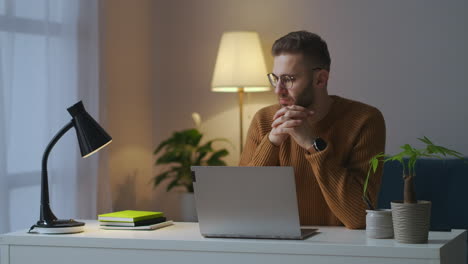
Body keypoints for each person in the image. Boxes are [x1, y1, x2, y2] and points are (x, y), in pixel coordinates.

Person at [239, 31, 385, 229]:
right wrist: (271, 142)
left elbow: (358, 217)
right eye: (275, 78)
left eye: (288, 79)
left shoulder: (364, 120)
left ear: (320, 79)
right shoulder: (264, 120)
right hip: (274, 248)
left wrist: (312, 144)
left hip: (339, 250)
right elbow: (239, 208)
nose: (278, 90)